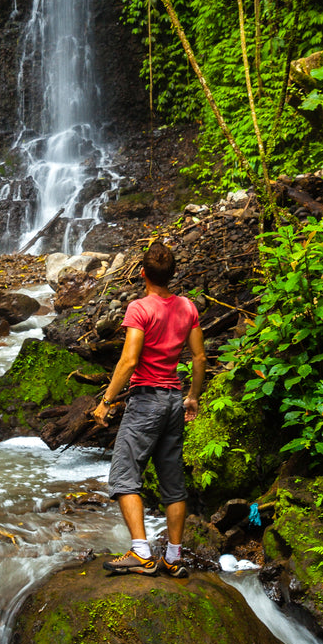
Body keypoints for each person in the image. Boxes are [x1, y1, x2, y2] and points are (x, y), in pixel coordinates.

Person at [93, 239, 205, 578]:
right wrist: (193, 396)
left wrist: (106, 401)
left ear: (142, 274)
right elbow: (199, 357)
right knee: (173, 482)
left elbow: (129, 360)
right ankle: (173, 556)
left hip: (146, 400)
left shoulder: (140, 308)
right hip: (174, 399)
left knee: (124, 475)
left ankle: (141, 553)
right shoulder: (187, 307)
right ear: (171, 275)